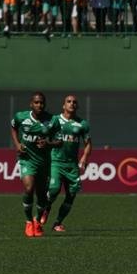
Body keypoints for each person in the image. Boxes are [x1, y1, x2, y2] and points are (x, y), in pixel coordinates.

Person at [10, 92, 57, 237]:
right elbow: (13, 127)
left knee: (42, 195)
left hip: (44, 162)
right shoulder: (21, 117)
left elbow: (60, 141)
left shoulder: (53, 120)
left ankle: (37, 221)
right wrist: (17, 144)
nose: (39, 105)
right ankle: (29, 221)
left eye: (41, 102)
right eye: (36, 102)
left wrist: (48, 143)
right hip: (26, 159)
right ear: (31, 104)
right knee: (29, 188)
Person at [43, 95, 92, 232]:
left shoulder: (82, 124)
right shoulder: (55, 120)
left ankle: (57, 223)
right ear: (63, 105)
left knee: (71, 195)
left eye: (74, 102)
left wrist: (84, 158)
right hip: (56, 161)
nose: (72, 104)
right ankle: (46, 208)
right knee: (53, 189)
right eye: (69, 102)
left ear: (77, 106)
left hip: (72, 165)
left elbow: (88, 144)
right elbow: (45, 136)